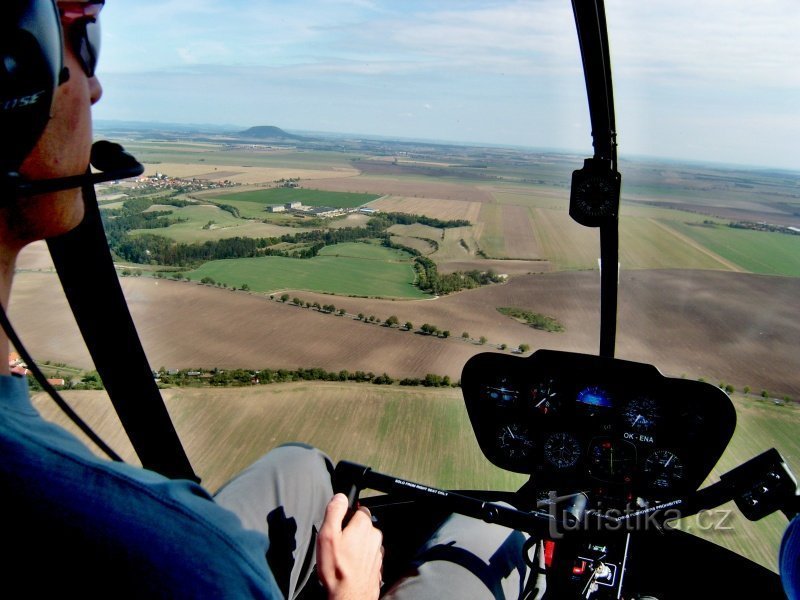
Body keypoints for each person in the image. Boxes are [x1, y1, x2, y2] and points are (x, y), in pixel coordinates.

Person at [0, 2, 530, 598]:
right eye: (79, 36)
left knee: (298, 468)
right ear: (11, 71)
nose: (95, 87)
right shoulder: (180, 556)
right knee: (488, 535)